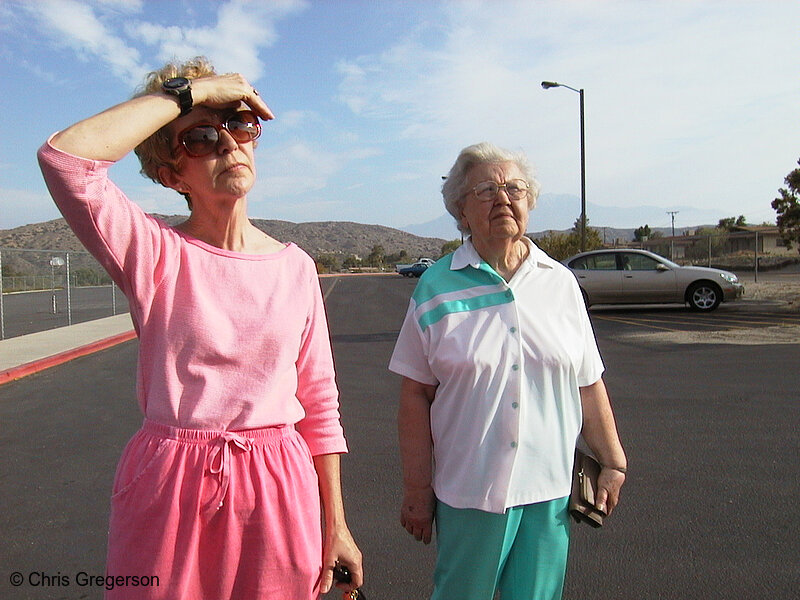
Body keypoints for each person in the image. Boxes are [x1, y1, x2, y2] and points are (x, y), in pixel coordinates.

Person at [37, 57, 362, 599]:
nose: (229, 144)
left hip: (279, 485)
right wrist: (192, 93)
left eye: (238, 125)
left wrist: (337, 526)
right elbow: (66, 160)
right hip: (171, 483)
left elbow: (320, 403)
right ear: (171, 175)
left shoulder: (296, 267)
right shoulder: (156, 253)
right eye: (201, 138)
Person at [389, 142, 626, 600]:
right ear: (460, 210)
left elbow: (588, 382)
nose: (503, 198)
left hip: (550, 492)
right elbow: (414, 395)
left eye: (514, 188)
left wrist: (614, 459)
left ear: (530, 201)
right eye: (486, 190)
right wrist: (417, 488)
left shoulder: (559, 283)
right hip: (470, 492)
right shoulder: (435, 288)